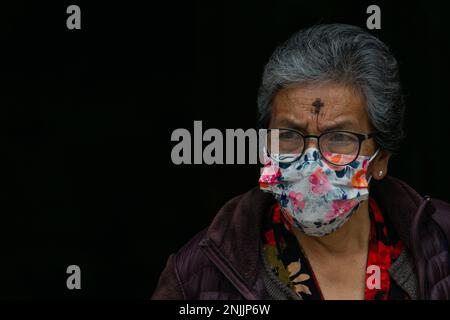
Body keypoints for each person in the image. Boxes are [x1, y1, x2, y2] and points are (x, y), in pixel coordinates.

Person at [152, 24, 450, 300]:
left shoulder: (442, 243)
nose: (311, 163)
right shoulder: (197, 276)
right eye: (289, 135)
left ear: (380, 157)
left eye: (339, 137)